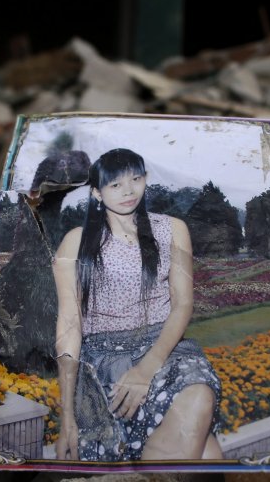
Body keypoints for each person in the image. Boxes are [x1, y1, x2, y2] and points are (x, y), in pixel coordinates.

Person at [52, 148, 223, 461]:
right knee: (208, 456)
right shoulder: (76, 242)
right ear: (97, 193)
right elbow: (69, 326)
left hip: (163, 350)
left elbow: (183, 305)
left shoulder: (172, 229)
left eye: (135, 179)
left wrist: (147, 368)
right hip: (102, 362)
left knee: (198, 394)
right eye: (115, 185)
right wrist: (67, 415)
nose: (128, 190)